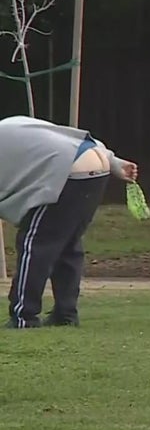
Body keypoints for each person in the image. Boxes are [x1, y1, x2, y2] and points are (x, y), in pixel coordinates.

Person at [0, 116, 139, 328]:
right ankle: (65, 315)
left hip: (67, 174)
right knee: (67, 245)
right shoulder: (12, 124)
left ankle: (24, 317)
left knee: (36, 244)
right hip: (95, 167)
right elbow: (70, 136)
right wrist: (113, 161)